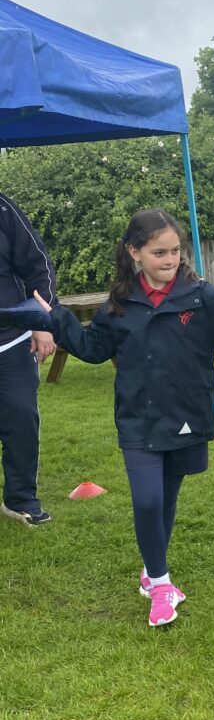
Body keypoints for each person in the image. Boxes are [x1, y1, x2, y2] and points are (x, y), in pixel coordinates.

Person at [18, 208, 214, 627]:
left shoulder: (202, 299)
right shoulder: (120, 305)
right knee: (147, 498)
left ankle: (152, 567)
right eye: (159, 252)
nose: (170, 259)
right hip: (138, 420)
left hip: (186, 416)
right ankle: (160, 584)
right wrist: (56, 317)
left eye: (175, 251)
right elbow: (92, 349)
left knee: (166, 499)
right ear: (134, 253)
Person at [0, 192, 57, 526]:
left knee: (21, 417)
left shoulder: (3, 208)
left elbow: (38, 264)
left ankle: (20, 499)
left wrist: (42, 324)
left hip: (11, 338)